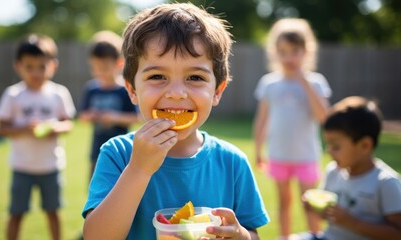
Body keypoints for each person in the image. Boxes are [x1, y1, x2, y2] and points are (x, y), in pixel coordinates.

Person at [82, 3, 269, 240]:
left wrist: (241, 235)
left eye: (195, 77)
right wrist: (138, 169)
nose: (177, 93)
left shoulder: (232, 162)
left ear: (217, 91)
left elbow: (252, 233)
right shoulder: (117, 154)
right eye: (158, 76)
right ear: (132, 90)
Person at [253, 18, 331, 240]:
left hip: (306, 155)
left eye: (295, 51)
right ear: (274, 52)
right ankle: (285, 237)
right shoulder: (269, 84)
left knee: (310, 203)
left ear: (306, 51)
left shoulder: (316, 83)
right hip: (278, 155)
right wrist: (259, 150)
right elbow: (261, 120)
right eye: (283, 51)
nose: (289, 57)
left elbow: (324, 117)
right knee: (284, 203)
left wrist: (303, 82)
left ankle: (316, 236)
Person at [0, 34, 76, 240]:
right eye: (29, 67)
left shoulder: (59, 93)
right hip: (22, 167)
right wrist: (24, 129)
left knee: (53, 212)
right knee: (16, 213)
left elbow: (68, 123)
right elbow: (2, 129)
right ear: (18, 66)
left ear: (53, 66)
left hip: (51, 166)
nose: (36, 72)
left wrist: (54, 128)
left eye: (42, 66)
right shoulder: (13, 95)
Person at [312, 96, 401, 239]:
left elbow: (397, 234)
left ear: (365, 145)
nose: (329, 151)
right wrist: (316, 208)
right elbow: (326, 216)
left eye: (336, 146)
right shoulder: (333, 171)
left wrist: (352, 223)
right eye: (328, 145)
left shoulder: (386, 183)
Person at [79, 31, 139, 179]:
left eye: (104, 67)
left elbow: (136, 117)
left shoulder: (125, 90)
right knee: (96, 189)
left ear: (119, 63)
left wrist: (114, 118)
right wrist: (92, 115)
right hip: (97, 151)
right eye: (96, 67)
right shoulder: (91, 89)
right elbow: (82, 116)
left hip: (122, 152)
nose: (100, 72)